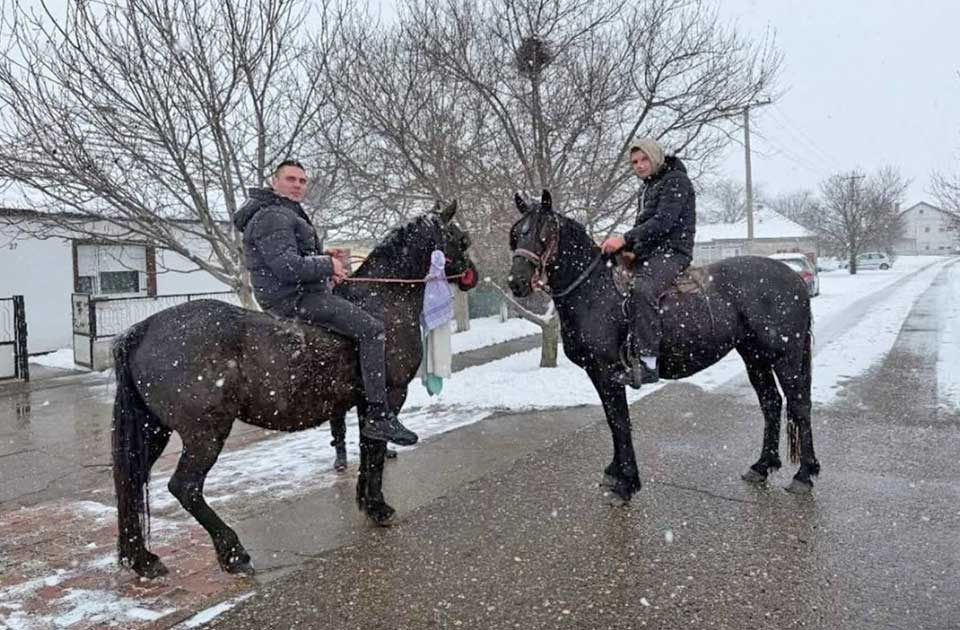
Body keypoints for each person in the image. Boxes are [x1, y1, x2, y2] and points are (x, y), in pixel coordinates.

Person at [233, 159, 418, 445]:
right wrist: (327, 264)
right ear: (274, 181)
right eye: (291, 179)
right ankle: (378, 415)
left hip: (299, 293)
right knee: (372, 330)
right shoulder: (273, 215)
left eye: (302, 181)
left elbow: (294, 258)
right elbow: (287, 267)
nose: (297, 185)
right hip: (292, 300)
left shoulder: (282, 211)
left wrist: (324, 260)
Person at [601, 137, 696, 388]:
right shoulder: (648, 187)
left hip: (673, 252)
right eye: (634, 162)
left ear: (656, 157)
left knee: (642, 289)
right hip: (650, 254)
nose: (640, 165)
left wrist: (624, 239)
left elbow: (663, 222)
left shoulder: (676, 180)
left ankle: (648, 364)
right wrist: (629, 250)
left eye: (644, 159)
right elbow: (644, 228)